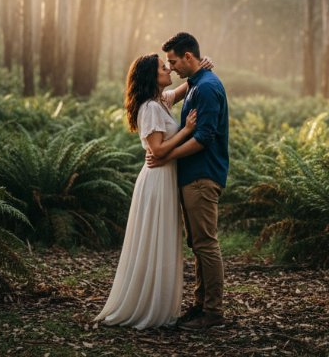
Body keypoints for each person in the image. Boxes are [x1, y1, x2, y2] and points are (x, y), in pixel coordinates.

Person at [94, 52, 212, 329]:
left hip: (165, 177)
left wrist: (200, 67)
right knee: (154, 240)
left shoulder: (162, 101)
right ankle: (145, 305)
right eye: (163, 67)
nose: (169, 69)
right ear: (151, 75)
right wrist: (187, 131)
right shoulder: (148, 107)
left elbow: (186, 87)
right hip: (157, 179)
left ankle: (157, 301)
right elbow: (157, 149)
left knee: (163, 239)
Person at [147, 32, 229, 330]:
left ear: (188, 57)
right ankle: (200, 306)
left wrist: (167, 157)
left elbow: (203, 138)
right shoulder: (197, 83)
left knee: (206, 244)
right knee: (197, 243)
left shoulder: (206, 88)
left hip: (203, 175)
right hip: (192, 176)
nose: (171, 68)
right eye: (166, 64)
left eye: (173, 61)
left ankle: (214, 313)